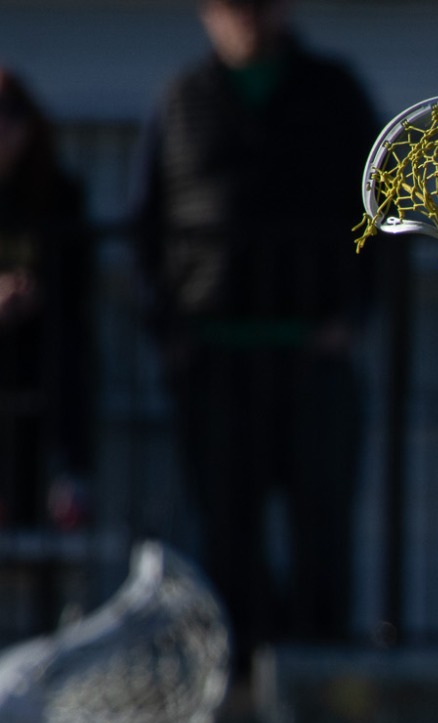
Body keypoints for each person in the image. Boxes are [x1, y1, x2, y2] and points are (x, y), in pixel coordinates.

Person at [131, 0, 378, 657]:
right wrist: (172, 331)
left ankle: (318, 672)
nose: (247, 19)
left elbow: (381, 208)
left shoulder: (333, 92)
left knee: (322, 528)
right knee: (226, 529)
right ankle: (238, 672)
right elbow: (149, 226)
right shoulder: (184, 99)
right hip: (215, 357)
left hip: (311, 353)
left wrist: (350, 315)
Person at [0, 67, 93, 536]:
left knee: (65, 351)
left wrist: (32, 293)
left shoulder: (57, 194)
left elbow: (77, 283)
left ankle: (66, 484)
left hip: (39, 349)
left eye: (11, 116)